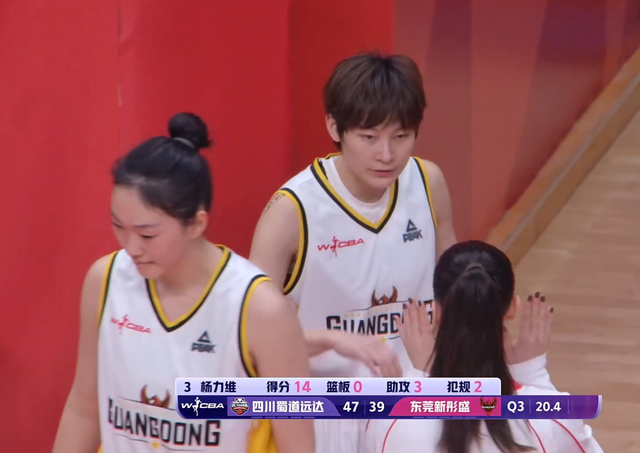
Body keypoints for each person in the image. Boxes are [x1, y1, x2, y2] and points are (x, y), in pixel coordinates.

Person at [51, 113, 315, 453]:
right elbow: (84, 409)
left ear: (196, 223)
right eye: (119, 227)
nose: (131, 247)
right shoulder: (104, 280)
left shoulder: (260, 308)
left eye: (147, 234)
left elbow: (297, 444)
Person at [249, 51, 457, 453]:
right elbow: (249, 336)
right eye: (369, 137)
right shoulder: (291, 212)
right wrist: (335, 340)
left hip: (412, 410)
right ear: (334, 126)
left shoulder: (429, 184)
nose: (387, 154)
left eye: (401, 136)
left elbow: (454, 298)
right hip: (322, 415)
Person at [364, 240, 604, 453]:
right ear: (513, 308)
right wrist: (533, 373)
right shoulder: (553, 416)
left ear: (436, 312)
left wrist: (423, 375)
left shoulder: (389, 418)